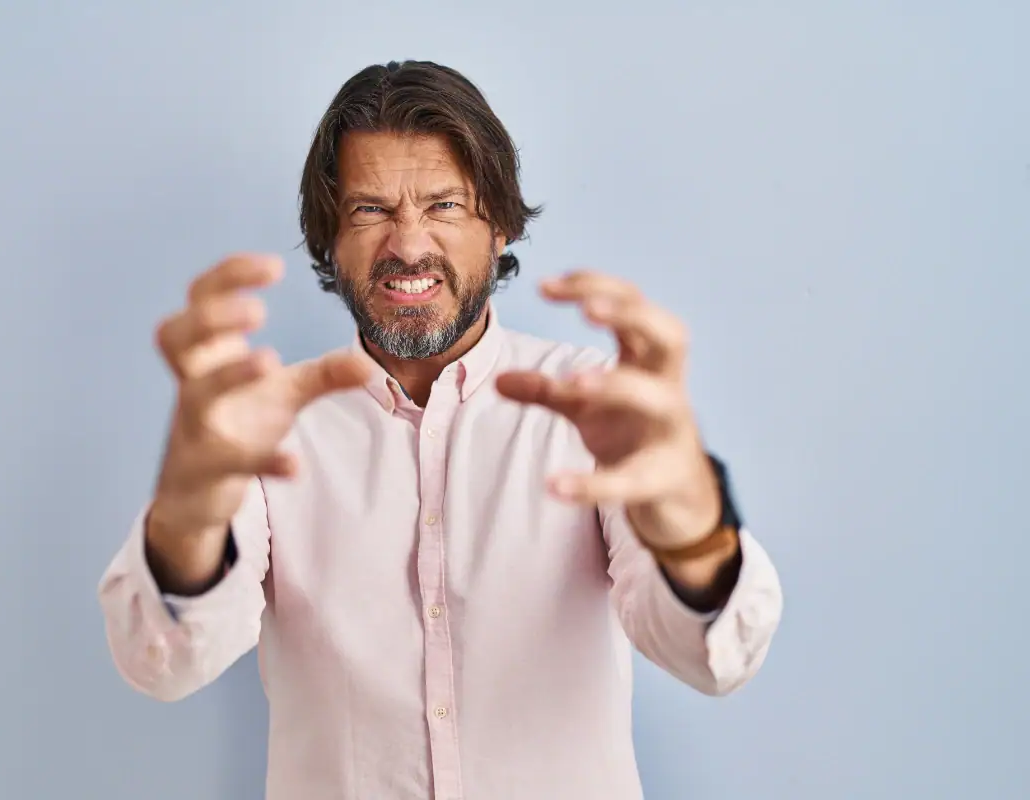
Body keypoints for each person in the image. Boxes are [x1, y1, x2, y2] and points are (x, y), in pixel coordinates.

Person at [98, 60, 783, 800]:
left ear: (501, 224)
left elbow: (716, 657)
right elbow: (161, 661)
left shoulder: (594, 407)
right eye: (368, 210)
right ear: (329, 237)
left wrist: (694, 533)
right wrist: (187, 516)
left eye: (444, 204)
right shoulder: (267, 425)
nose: (408, 244)